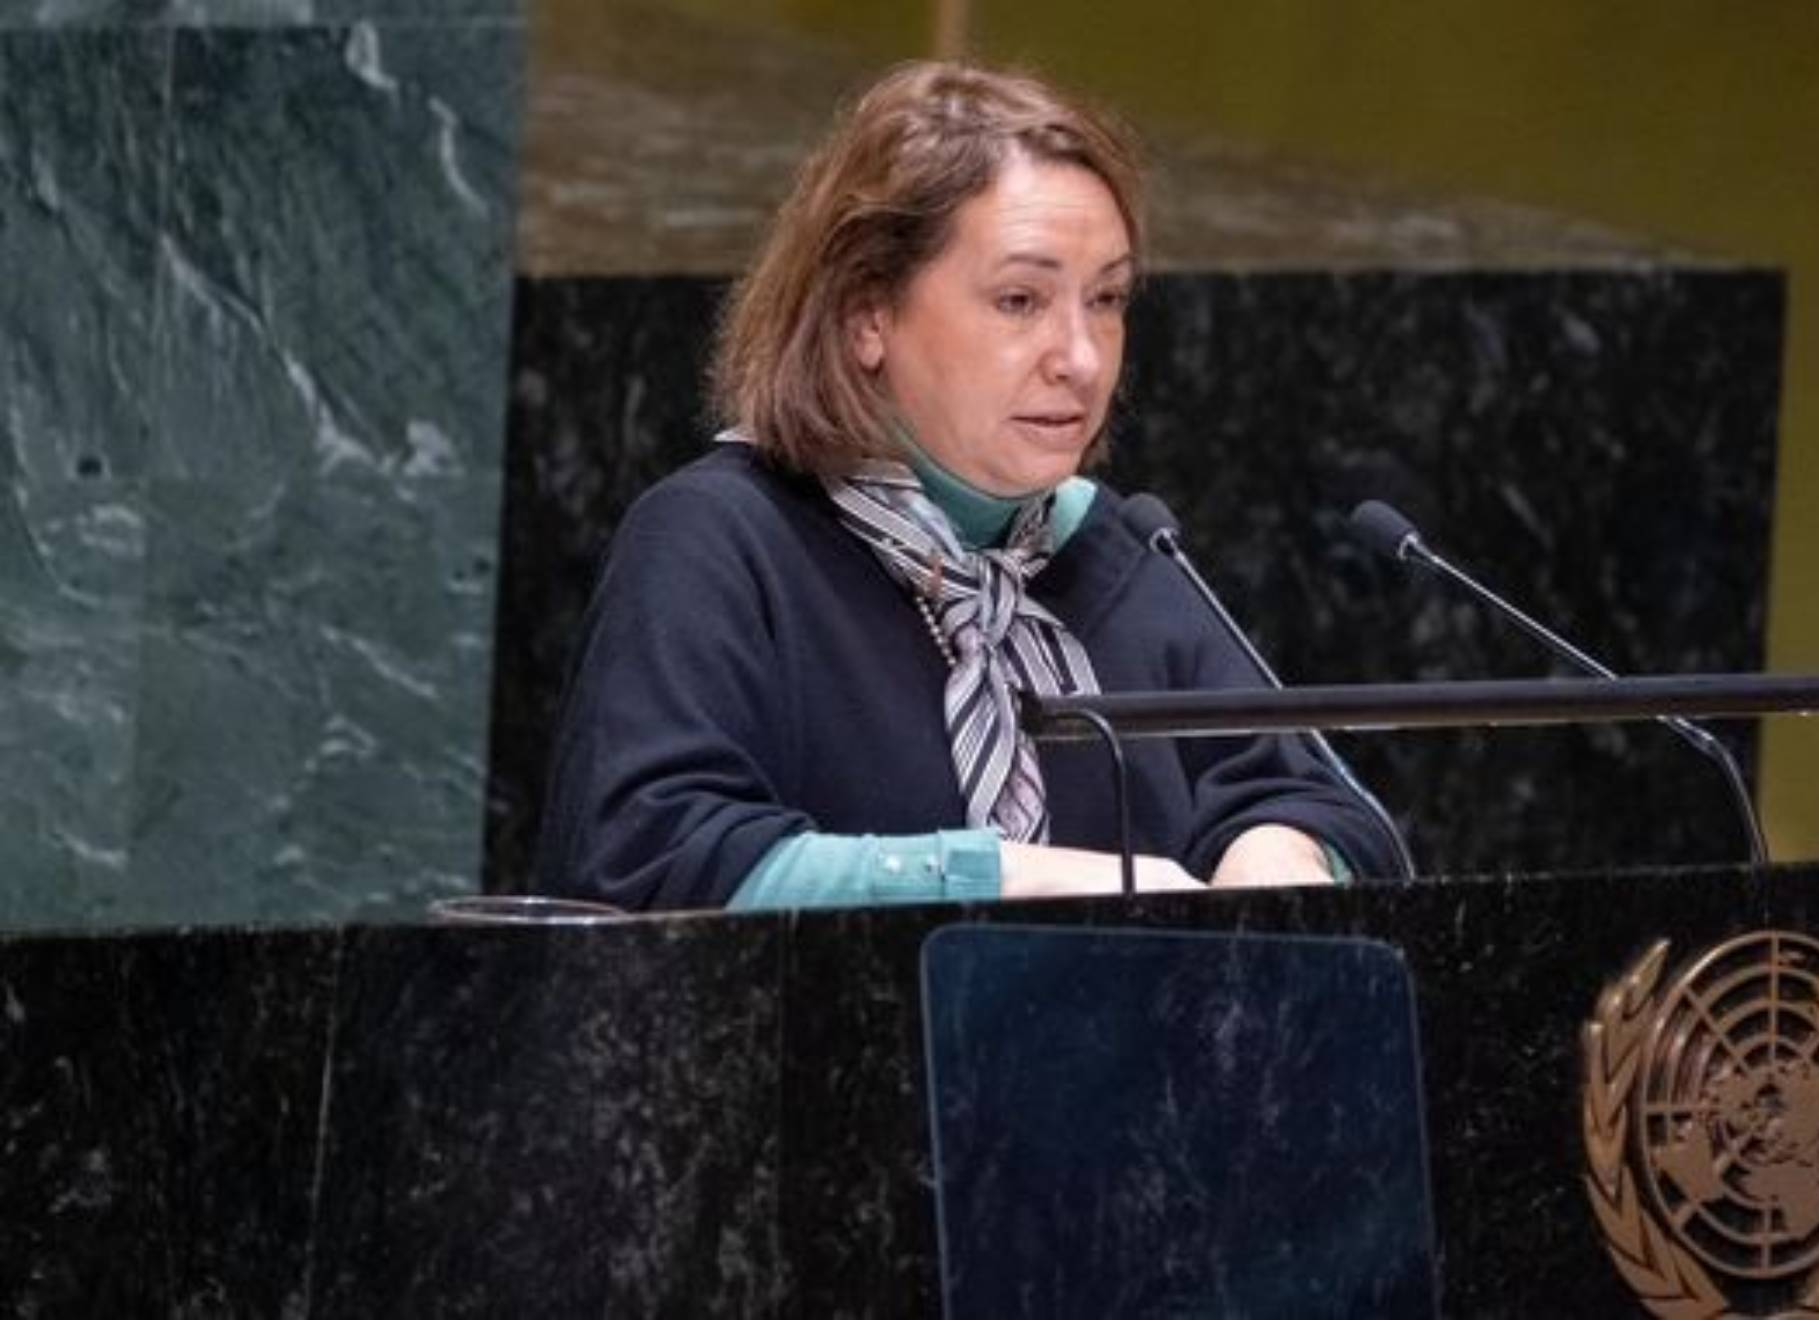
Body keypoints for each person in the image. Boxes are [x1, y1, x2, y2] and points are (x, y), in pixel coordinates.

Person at [535, 61, 1407, 911]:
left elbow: (1320, 806)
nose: (1081, 357)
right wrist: (1010, 879)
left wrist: (1279, 855)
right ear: (866, 315)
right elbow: (652, 856)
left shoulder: (1119, 554)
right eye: (1020, 301)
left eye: (1106, 300)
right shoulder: (719, 540)